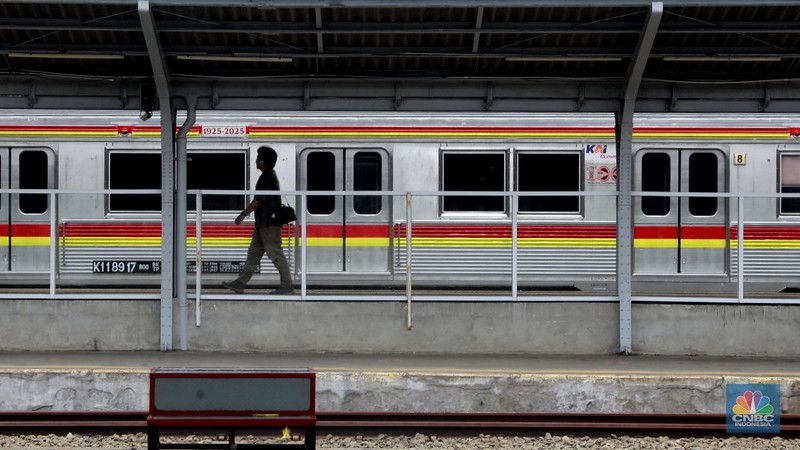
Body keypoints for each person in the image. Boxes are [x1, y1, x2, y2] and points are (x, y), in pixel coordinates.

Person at [222, 146, 294, 295]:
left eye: (257, 158)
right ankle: (240, 283)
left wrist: (243, 214)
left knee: (275, 253)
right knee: (254, 254)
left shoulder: (267, 177)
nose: (255, 161)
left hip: (269, 224)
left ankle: (287, 285)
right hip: (263, 224)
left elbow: (258, 200)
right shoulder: (269, 175)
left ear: (262, 161)